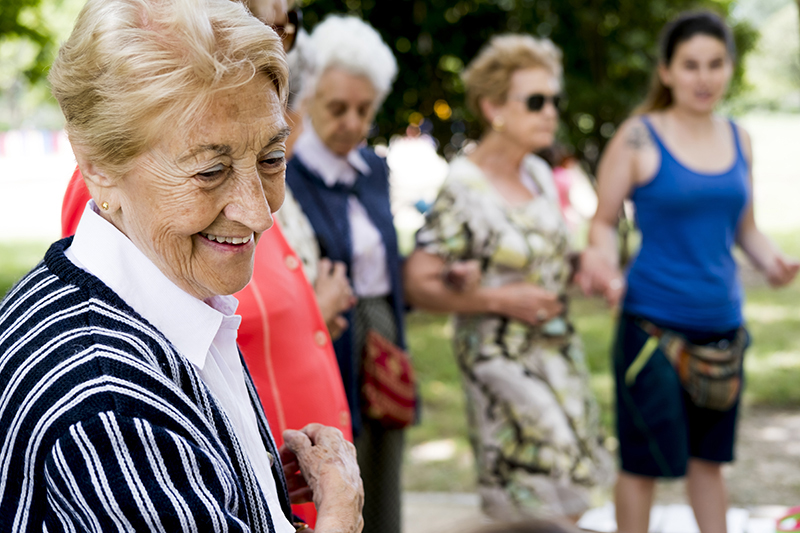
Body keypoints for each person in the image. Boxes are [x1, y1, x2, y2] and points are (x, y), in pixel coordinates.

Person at [0, 0, 364, 530]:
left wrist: (242, 490)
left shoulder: (167, 296)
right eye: (210, 170)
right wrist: (340, 515)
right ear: (98, 166)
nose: (258, 213)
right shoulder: (109, 408)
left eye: (270, 159)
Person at [576, 11, 799, 533]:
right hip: (652, 330)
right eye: (691, 65)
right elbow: (603, 223)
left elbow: (746, 227)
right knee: (642, 467)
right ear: (668, 71)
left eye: (716, 64)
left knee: (710, 465)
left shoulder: (740, 139)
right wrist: (604, 266)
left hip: (724, 330)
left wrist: (772, 261)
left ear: (729, 68)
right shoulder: (639, 137)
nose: (704, 77)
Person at [403, 34, 612, 521]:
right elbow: (418, 280)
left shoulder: (537, 172)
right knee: (537, 486)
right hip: (500, 359)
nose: (550, 112)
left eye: (554, 100)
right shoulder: (464, 186)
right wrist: (500, 299)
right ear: (494, 107)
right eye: (536, 101)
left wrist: (585, 268)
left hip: (558, 349)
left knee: (575, 483)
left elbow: (544, 254)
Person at [284, 15, 407, 533]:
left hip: (382, 332)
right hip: (329, 334)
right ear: (309, 99)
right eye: (338, 108)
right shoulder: (290, 172)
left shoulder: (373, 171)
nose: (353, 123)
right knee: (336, 470)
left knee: (385, 469)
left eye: (365, 110)